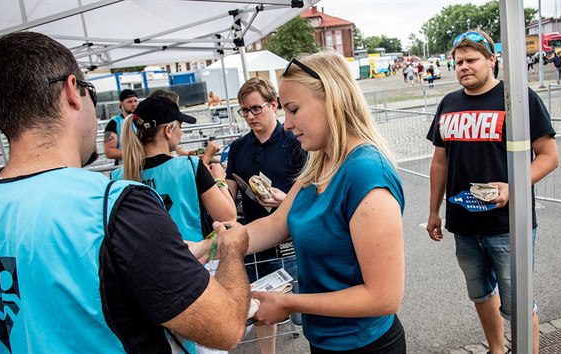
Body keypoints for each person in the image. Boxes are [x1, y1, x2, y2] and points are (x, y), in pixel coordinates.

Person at [0, 31, 251, 353]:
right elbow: (224, 326)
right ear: (73, 91)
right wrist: (231, 249)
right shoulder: (111, 203)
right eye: (90, 91)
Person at [203, 50, 406, 353]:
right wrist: (204, 249)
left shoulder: (366, 173)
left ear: (332, 99)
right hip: (324, 340)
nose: (286, 124)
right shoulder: (321, 161)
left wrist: (288, 302)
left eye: (294, 109)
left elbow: (384, 297)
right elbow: (276, 223)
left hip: (364, 344)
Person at [425, 30, 559, 354]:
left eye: (471, 60)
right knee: (481, 294)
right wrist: (433, 211)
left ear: (491, 60)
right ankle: (496, 349)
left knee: (518, 302)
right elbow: (439, 162)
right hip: (464, 226)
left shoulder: (519, 98)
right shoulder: (448, 103)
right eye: (458, 62)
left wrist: (513, 187)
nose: (463, 67)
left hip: (509, 226)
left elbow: (549, 156)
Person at [111, 95, 236, 353]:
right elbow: (228, 216)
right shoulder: (189, 166)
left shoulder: (116, 177)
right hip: (191, 275)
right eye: (180, 126)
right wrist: (220, 180)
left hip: (139, 284)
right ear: (168, 130)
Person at [225, 77, 306, 354]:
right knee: (259, 302)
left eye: (256, 108)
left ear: (274, 105)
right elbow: (229, 194)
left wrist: (284, 200)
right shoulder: (237, 148)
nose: (249, 116)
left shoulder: (296, 142)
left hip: (288, 239)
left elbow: (310, 192)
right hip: (254, 239)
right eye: (244, 110)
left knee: (299, 307)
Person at [104, 88, 138, 165]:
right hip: (124, 168)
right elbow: (109, 152)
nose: (133, 104)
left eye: (135, 101)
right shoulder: (114, 123)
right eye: (129, 102)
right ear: (121, 104)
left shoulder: (143, 120)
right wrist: (136, 155)